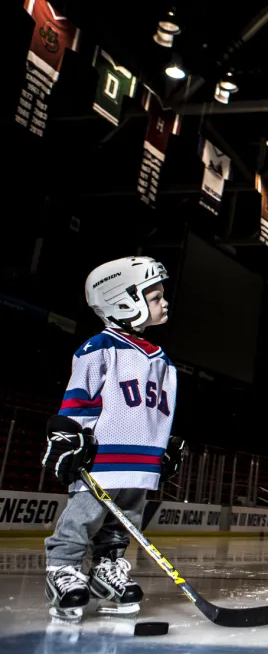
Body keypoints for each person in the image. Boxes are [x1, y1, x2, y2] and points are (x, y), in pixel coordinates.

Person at [41, 257, 185, 620]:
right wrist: (70, 436)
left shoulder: (163, 360)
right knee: (84, 516)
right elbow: (80, 398)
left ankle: (107, 569)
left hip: (139, 463)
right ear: (124, 301)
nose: (164, 303)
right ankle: (63, 568)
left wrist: (161, 447)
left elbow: (156, 410)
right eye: (155, 297)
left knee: (125, 522)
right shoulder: (100, 348)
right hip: (102, 458)